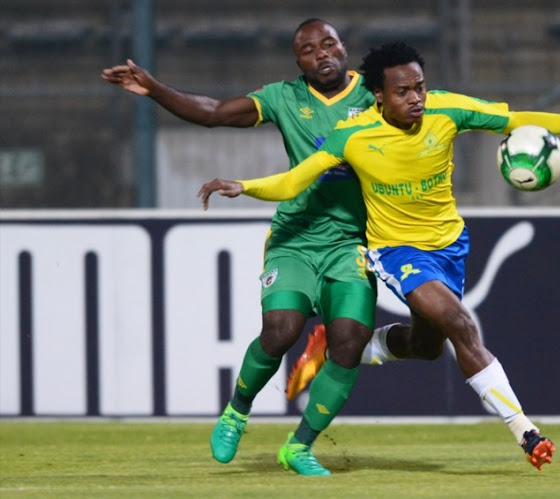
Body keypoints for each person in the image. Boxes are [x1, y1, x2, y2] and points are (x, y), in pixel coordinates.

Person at [198, 41, 560, 471]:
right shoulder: (353, 135)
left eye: (420, 87)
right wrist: (245, 186)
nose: (416, 99)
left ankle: (353, 345)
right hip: (395, 250)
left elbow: (515, 119)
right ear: (379, 96)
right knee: (460, 324)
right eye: (403, 92)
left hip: (448, 246)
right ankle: (526, 432)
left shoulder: (446, 110)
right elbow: (295, 182)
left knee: (428, 346)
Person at [102, 18, 388, 477]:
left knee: (350, 344)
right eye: (309, 50)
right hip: (296, 237)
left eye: (329, 44)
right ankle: (237, 411)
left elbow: (426, 113)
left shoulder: (375, 95)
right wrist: (155, 89)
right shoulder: (284, 97)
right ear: (298, 62)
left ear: (344, 47)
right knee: (281, 329)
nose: (322, 54)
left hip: (351, 241)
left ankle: (299, 446)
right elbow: (215, 111)